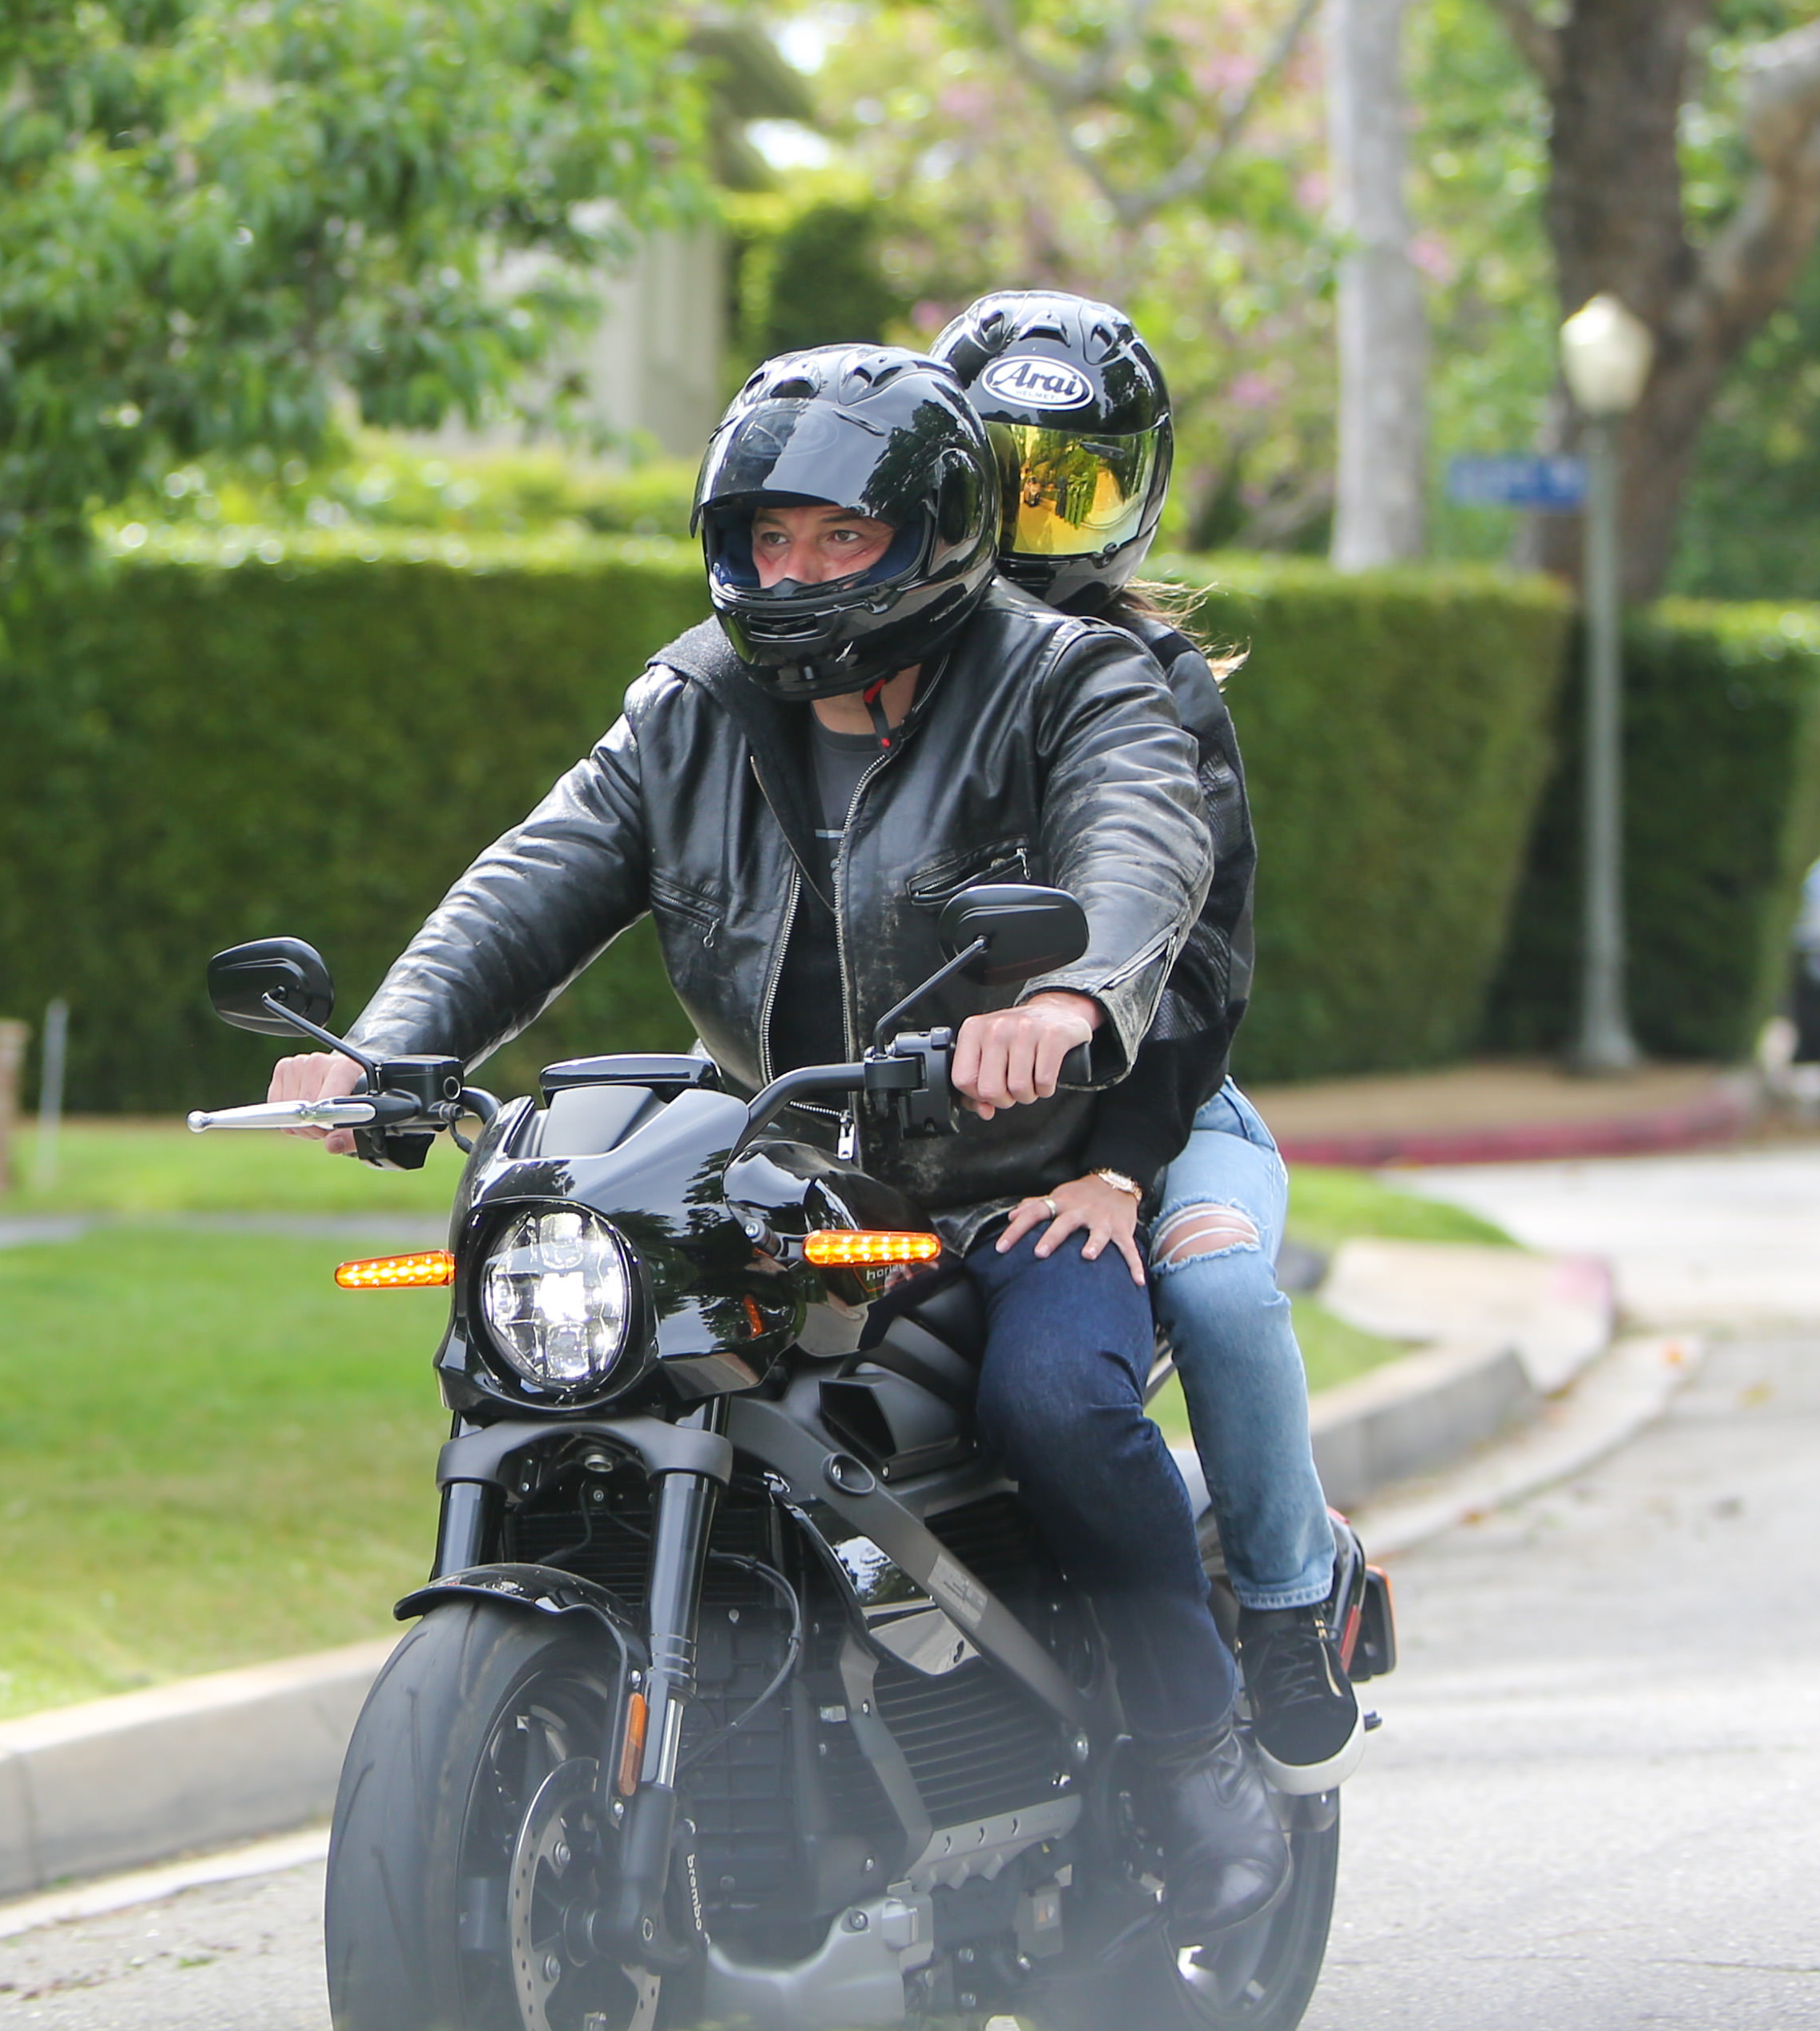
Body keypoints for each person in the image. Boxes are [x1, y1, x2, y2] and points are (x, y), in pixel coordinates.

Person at [270, 343, 1289, 1936]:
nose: (793, 570)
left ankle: (1187, 1746)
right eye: (766, 537)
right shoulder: (694, 699)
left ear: (934, 535)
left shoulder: (1064, 675)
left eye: (839, 537)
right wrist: (384, 1053)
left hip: (1013, 1183)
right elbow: (542, 869)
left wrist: (1081, 992)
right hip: (788, 1166)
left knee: (1057, 1397)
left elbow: (1138, 835)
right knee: (603, 1356)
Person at [935, 292, 1366, 1793]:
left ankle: (1292, 1602)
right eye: (1011, 482)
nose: (1045, 526)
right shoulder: (894, 674)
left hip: (1171, 1109)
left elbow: (1198, 962)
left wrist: (1121, 1168)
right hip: (977, 1121)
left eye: (1080, 484)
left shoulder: (1157, 685)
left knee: (1226, 1292)